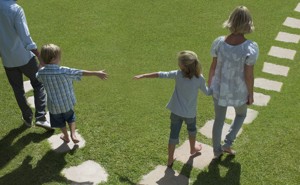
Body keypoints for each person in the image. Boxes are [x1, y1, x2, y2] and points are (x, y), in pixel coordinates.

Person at [134, 51, 211, 167]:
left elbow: (161, 74)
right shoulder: (199, 79)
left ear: (184, 66)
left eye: (179, 62)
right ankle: (192, 149)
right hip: (190, 114)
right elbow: (207, 92)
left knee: (173, 135)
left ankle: (170, 159)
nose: (177, 64)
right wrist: (216, 86)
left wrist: (144, 75)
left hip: (175, 112)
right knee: (192, 130)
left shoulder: (178, 74)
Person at [208, 6, 259, 159]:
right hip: (239, 90)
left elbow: (213, 66)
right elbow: (248, 75)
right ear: (248, 24)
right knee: (241, 115)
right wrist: (251, 94)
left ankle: (217, 151)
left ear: (231, 21)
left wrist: (211, 85)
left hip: (219, 89)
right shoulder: (250, 47)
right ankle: (228, 144)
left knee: (219, 120)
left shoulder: (219, 42)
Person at [36, 44, 108, 143]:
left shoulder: (42, 73)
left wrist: (41, 64)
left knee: (60, 122)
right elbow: (80, 72)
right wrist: (96, 73)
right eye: (59, 57)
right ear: (53, 59)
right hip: (67, 104)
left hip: (54, 107)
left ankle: (65, 136)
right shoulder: (64, 71)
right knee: (70, 117)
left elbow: (38, 74)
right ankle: (73, 134)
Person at [0, 0, 51, 129]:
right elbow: (25, 37)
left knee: (18, 90)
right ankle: (40, 117)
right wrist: (39, 56)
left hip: (8, 60)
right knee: (39, 82)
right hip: (25, 57)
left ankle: (27, 118)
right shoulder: (15, 9)